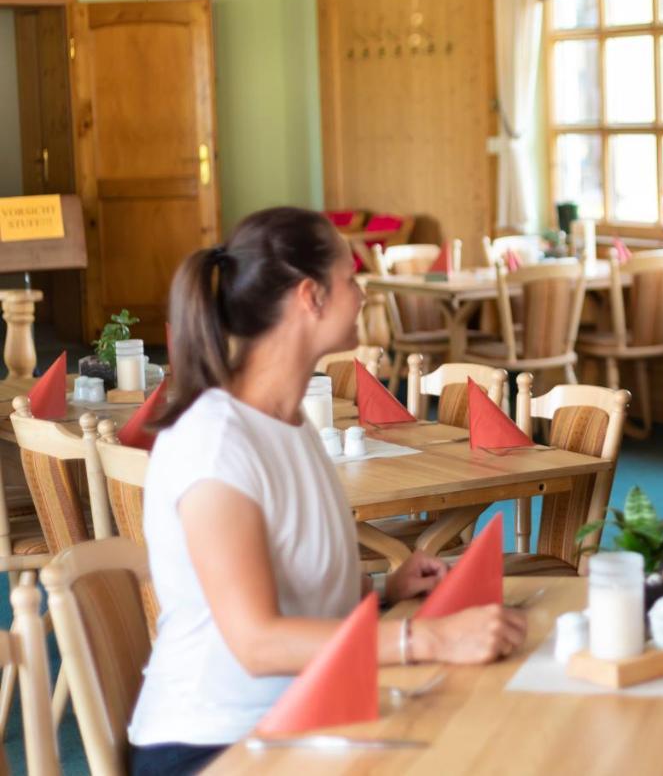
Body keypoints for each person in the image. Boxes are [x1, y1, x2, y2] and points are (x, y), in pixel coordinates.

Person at [128, 208, 527, 775]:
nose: (363, 294)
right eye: (350, 278)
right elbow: (258, 642)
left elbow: (288, 585)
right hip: (216, 746)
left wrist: (385, 591)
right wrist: (426, 638)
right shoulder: (215, 441)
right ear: (311, 297)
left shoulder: (291, 422)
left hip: (306, 715)